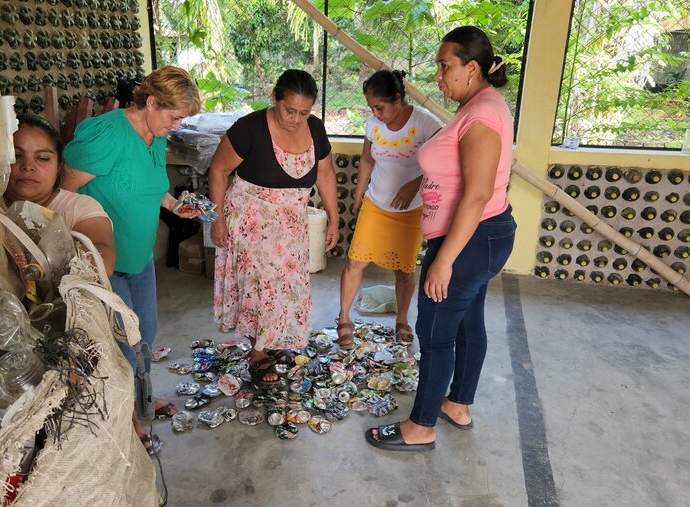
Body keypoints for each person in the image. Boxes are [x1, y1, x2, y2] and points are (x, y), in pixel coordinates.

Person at [366, 26, 517, 451]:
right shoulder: (480, 106)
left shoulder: (483, 116)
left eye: (444, 66)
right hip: (479, 235)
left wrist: (445, 260)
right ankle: (458, 404)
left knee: (433, 329)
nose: (438, 74)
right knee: (468, 321)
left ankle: (421, 426)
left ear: (472, 68)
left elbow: (477, 194)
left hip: (468, 239)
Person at [60, 66, 202, 419]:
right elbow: (64, 193)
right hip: (104, 262)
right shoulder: (107, 134)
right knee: (122, 343)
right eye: (175, 117)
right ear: (151, 102)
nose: (177, 125)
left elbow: (150, 186)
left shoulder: (157, 134)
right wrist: (75, 254)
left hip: (139, 259)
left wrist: (173, 204)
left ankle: (142, 400)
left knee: (146, 336)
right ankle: (127, 420)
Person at [209, 69, 339, 381]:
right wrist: (218, 219)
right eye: (289, 110)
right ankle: (258, 350)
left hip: (292, 224)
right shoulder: (249, 128)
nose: (296, 118)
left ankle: (278, 340)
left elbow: (325, 174)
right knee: (261, 286)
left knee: (288, 287)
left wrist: (335, 218)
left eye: (304, 112)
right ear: (274, 98)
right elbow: (218, 170)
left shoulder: (316, 130)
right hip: (251, 221)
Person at [337, 70, 442, 349]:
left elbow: (445, 160)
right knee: (355, 261)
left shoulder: (424, 123)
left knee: (404, 270)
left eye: (380, 107)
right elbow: (367, 160)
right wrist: (359, 194)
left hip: (411, 210)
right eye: (372, 107)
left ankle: (402, 321)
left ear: (397, 98)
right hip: (376, 203)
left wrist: (413, 185)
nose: (376, 113)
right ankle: (344, 318)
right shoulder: (373, 124)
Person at [3, 114, 115, 274]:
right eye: (16, 155)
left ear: (59, 167)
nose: (28, 166)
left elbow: (103, 261)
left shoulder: (80, 208)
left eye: (42, 158)